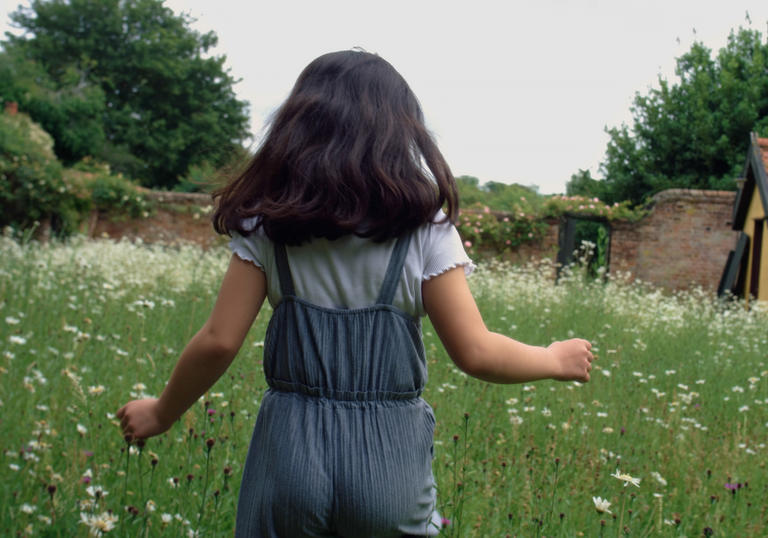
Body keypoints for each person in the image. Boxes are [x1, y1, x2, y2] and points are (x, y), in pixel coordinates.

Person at [117, 49, 594, 537]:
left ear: (296, 129)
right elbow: (475, 352)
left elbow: (219, 340)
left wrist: (161, 411)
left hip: (289, 455)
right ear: (402, 134)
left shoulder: (267, 222)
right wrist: (553, 358)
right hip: (389, 463)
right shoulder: (424, 228)